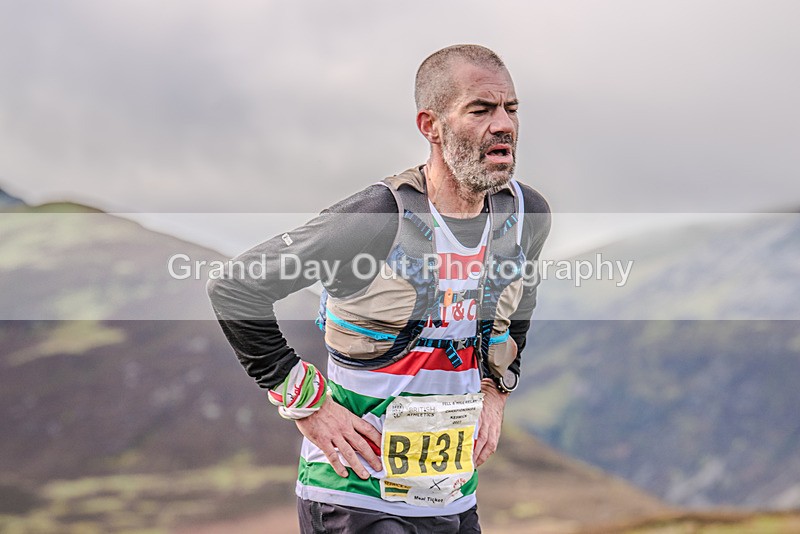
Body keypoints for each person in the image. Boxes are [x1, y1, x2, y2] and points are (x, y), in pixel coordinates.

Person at [207, 44, 551, 533]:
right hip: (353, 499)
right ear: (430, 125)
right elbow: (236, 287)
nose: (504, 125)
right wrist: (308, 405)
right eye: (480, 109)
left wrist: (497, 388)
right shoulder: (377, 217)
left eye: (510, 109)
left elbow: (521, 306)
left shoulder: (526, 216)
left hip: (451, 500)